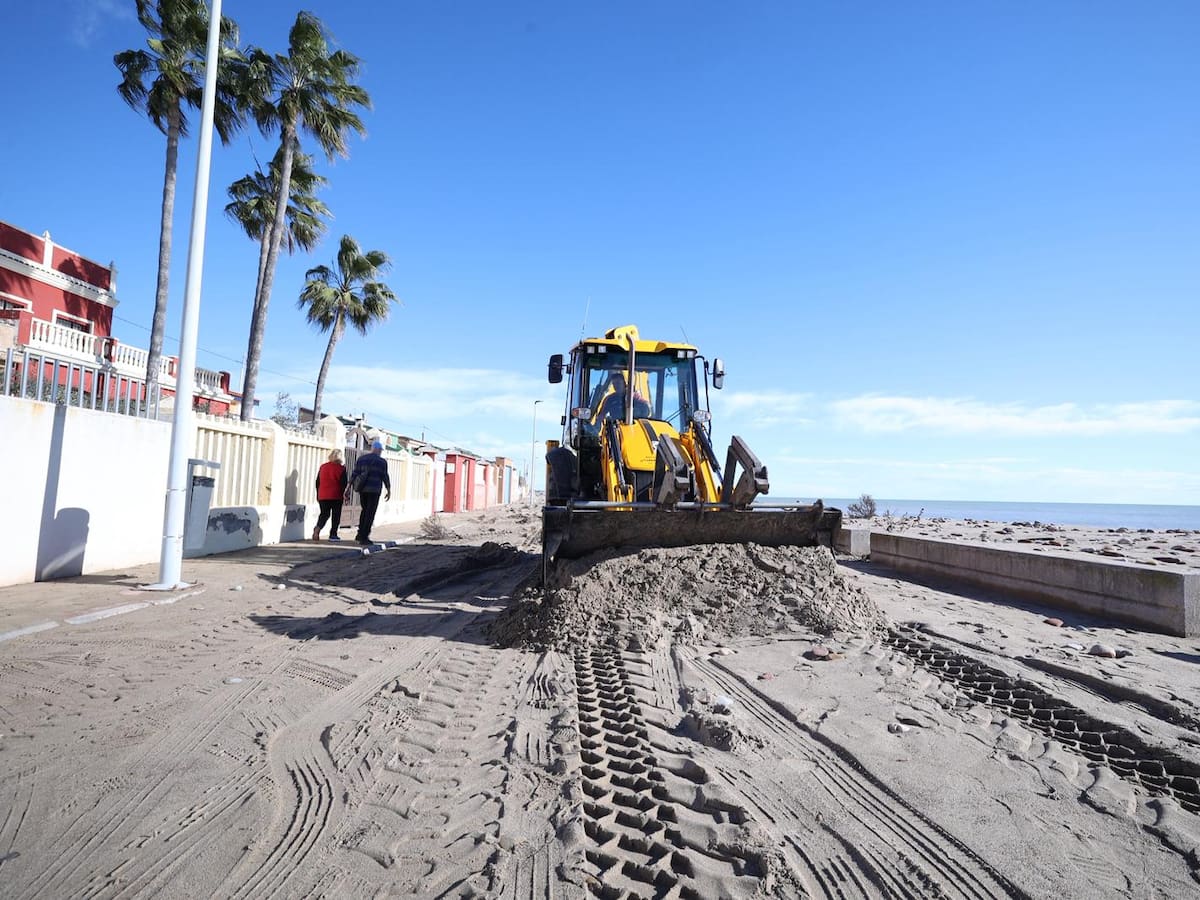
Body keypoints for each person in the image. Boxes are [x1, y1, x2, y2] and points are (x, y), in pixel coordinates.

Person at [348, 439, 391, 545]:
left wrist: (348, 486)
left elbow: (355, 473)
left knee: (364, 511)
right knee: (370, 513)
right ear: (378, 450)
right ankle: (364, 536)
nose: (381, 452)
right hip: (375, 490)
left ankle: (359, 534)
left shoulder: (361, 459)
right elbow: (385, 476)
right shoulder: (382, 462)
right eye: (380, 450)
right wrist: (388, 489)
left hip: (363, 489)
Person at [312, 450, 347, 541]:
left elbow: (317, 482)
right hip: (336, 495)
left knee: (324, 514)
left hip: (322, 495)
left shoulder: (323, 467)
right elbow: (344, 484)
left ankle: (318, 528)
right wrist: (346, 495)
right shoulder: (341, 469)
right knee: (336, 515)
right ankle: (333, 534)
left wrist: (318, 493)